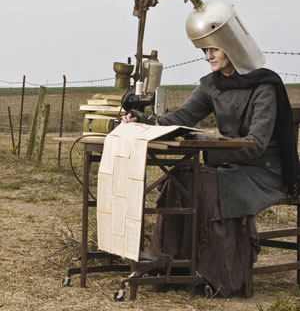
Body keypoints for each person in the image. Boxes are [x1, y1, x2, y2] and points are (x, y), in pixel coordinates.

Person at [122, 46, 299, 297]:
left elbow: (257, 145)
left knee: (205, 185)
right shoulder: (211, 85)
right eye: (205, 50)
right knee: (180, 176)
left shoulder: (264, 85)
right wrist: (144, 119)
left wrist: (209, 144)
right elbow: (182, 117)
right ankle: (168, 266)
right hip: (230, 164)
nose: (208, 56)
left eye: (214, 49)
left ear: (233, 47)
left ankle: (217, 275)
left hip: (263, 171)